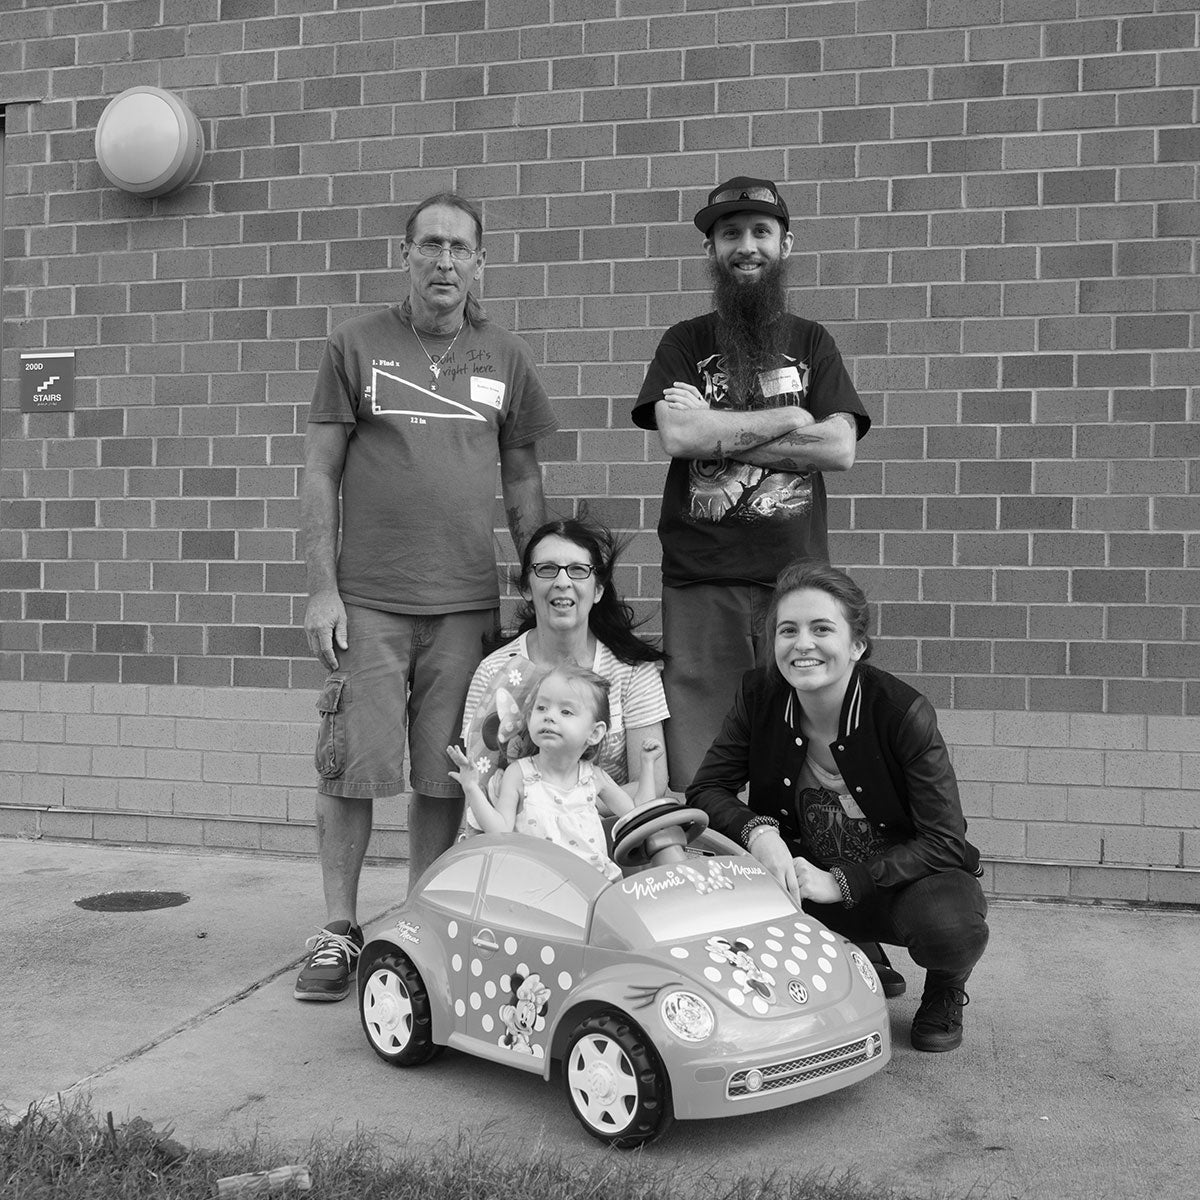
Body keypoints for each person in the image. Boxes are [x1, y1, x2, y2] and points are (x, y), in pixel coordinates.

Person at [295, 192, 558, 1002]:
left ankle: (418, 924)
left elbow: (522, 478)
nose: (446, 262)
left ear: (481, 263)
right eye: (431, 246)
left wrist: (538, 583)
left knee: (447, 774)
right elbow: (319, 470)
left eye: (461, 249)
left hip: (465, 608)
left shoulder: (505, 356)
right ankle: (339, 929)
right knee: (352, 769)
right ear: (403, 254)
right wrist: (322, 590)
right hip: (369, 602)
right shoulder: (355, 344)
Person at [686, 561, 988, 1053]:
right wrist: (761, 835)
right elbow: (706, 792)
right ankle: (852, 953)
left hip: (899, 881)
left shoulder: (901, 713)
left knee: (950, 929)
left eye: (821, 629)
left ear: (856, 645)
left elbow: (945, 840)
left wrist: (842, 883)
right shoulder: (758, 696)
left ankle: (945, 988)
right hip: (801, 875)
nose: (802, 644)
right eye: (788, 630)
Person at [633, 176, 871, 793]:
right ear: (709, 250)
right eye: (730, 234)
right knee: (700, 746)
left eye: (760, 232)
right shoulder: (684, 342)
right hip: (699, 574)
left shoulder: (812, 342)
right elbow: (679, 438)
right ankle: (713, 872)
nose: (746, 246)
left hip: (793, 579)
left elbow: (840, 448)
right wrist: (793, 420)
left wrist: (720, 428)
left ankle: (795, 870)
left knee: (804, 733)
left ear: (785, 244)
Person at [458, 515, 669, 803]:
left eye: (578, 570)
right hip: (520, 838)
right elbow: (479, 781)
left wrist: (565, 808)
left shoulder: (632, 671)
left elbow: (652, 784)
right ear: (526, 588)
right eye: (546, 569)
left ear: (598, 590)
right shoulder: (495, 670)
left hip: (612, 833)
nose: (562, 581)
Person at [449, 665, 665, 881]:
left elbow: (638, 815)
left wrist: (646, 765)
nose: (549, 716)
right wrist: (471, 787)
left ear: (595, 733)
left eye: (566, 712)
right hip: (533, 889)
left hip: (590, 887)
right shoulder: (519, 774)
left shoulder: (593, 778)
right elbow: (499, 831)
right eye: (541, 708)